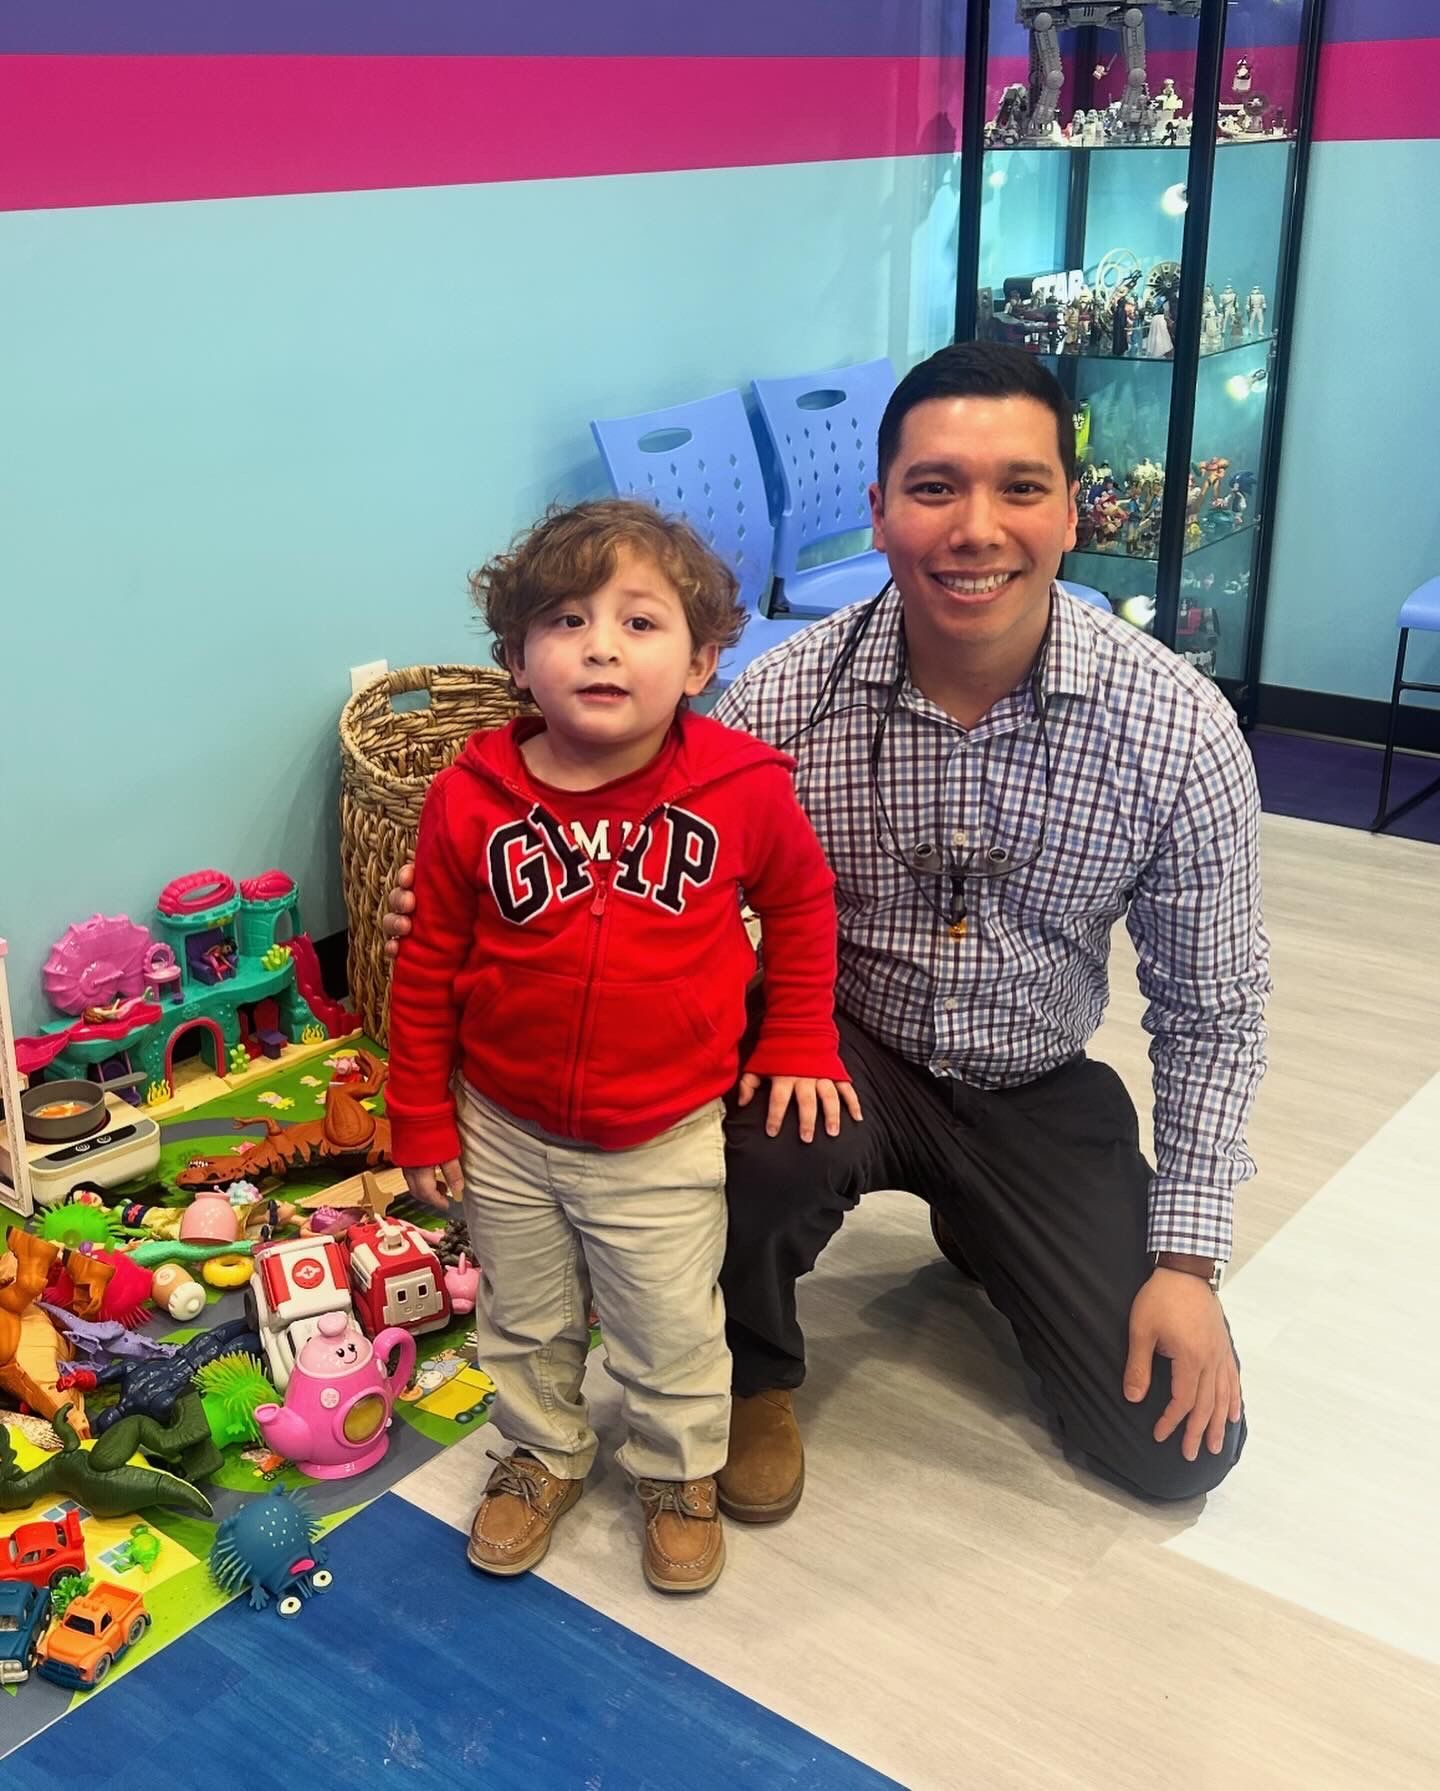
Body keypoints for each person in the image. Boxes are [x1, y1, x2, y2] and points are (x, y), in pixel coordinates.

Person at [387, 342, 1269, 1517]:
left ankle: (987, 1214)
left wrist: (1188, 1263)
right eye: (935, 487)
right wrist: (464, 896)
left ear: (1068, 508)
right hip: (837, 1046)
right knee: (721, 1161)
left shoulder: (1178, 729)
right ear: (882, 508)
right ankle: (751, 1374)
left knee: (1173, 1455)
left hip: (1032, 1076)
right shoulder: (780, 698)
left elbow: (1213, 1014)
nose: (976, 528)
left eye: (1020, 487)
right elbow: (601, 811)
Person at [385, 498, 857, 1594]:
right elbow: (424, 970)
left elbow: (803, 903)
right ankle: (544, 1449)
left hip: (660, 1132)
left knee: (668, 1325)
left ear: (700, 664)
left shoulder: (742, 790)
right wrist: (417, 1113)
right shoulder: (469, 799)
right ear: (516, 659)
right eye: (566, 620)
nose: (601, 644)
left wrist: (797, 1036)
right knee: (523, 1312)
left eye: (639, 623)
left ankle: (678, 1471)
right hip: (502, 1123)